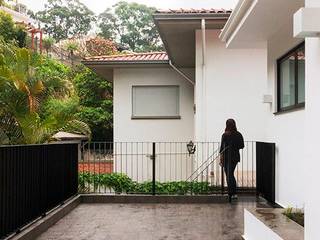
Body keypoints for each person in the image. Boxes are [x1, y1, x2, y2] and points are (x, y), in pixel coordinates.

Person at [219, 119, 244, 203]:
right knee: (230, 174)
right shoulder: (238, 134)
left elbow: (222, 148)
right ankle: (233, 193)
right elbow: (242, 146)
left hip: (227, 157)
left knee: (229, 174)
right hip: (235, 158)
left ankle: (231, 193)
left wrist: (221, 158)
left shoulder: (225, 135)